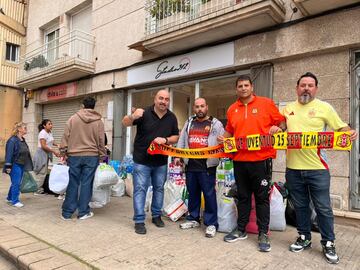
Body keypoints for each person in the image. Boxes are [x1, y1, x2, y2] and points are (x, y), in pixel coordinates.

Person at [283, 72, 357, 264]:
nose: (306, 88)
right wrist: (276, 129)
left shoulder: (325, 107)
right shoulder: (288, 108)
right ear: (296, 87)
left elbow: (341, 128)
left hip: (318, 169)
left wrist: (349, 133)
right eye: (302, 85)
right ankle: (304, 237)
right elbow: (281, 128)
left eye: (310, 85)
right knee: (300, 207)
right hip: (293, 168)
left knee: (323, 208)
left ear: (316, 88)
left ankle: (328, 242)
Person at [219, 75, 286, 252]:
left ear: (252, 87)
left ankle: (263, 233)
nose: (243, 88)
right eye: (240, 86)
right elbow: (229, 132)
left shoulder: (266, 103)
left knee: (262, 198)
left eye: (246, 85)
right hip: (240, 161)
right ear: (236, 89)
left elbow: (282, 122)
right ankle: (241, 230)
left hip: (261, 160)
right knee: (243, 197)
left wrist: (279, 128)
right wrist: (222, 141)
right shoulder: (232, 109)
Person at [122, 89, 179, 235]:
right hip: (142, 160)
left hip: (161, 161)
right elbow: (125, 123)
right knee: (140, 189)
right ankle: (139, 221)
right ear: (155, 99)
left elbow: (175, 137)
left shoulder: (172, 117)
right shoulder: (144, 113)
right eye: (161, 98)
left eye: (166, 99)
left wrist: (165, 140)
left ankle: (156, 216)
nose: (163, 101)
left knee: (159, 188)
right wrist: (132, 115)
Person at [176, 97, 224, 238]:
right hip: (191, 165)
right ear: (194, 109)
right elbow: (182, 140)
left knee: (209, 195)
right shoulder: (189, 122)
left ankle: (211, 224)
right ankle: (193, 218)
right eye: (197, 107)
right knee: (193, 193)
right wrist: (178, 156)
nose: (199, 109)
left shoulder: (215, 123)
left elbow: (223, 142)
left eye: (202, 106)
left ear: (207, 107)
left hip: (207, 166)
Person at [60, 97, 106, 220]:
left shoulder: (72, 119)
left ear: (82, 105)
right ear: (94, 106)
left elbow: (65, 136)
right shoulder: (98, 122)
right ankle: (83, 212)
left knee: (73, 182)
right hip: (91, 156)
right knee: (87, 183)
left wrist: (63, 151)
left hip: (74, 155)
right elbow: (101, 141)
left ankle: (67, 213)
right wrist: (102, 155)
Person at [3, 122, 33, 207]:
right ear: (19, 129)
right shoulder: (12, 140)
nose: (26, 129)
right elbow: (9, 153)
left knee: (16, 182)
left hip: (22, 164)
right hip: (15, 164)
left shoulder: (23, 140)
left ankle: (9, 198)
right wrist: (8, 166)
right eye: (25, 128)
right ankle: (15, 201)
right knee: (16, 183)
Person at [33, 119, 60, 194]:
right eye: (49, 124)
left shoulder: (50, 132)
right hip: (41, 153)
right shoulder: (42, 133)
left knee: (44, 171)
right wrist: (54, 151)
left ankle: (40, 188)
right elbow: (43, 146)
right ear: (44, 126)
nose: (51, 125)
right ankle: (37, 190)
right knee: (41, 171)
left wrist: (57, 145)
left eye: (51, 124)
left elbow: (51, 141)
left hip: (47, 153)